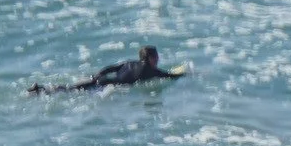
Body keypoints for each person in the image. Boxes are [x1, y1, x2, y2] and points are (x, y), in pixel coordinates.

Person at [29, 46, 182, 95]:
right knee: (72, 92)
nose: (158, 60)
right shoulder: (149, 70)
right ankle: (42, 90)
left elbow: (110, 68)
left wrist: (98, 74)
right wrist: (188, 73)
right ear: (149, 58)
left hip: (103, 79)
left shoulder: (129, 62)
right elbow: (170, 76)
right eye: (156, 57)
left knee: (72, 88)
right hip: (109, 86)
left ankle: (42, 88)